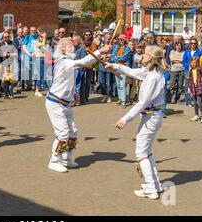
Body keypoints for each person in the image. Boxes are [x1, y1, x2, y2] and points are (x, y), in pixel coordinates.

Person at [106, 45, 167, 200]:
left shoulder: (153, 76)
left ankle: (151, 189)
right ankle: (156, 184)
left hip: (151, 115)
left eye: (146, 54)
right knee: (146, 151)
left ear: (151, 57)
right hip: (152, 115)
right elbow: (133, 72)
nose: (143, 56)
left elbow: (142, 102)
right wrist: (114, 65)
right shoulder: (150, 71)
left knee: (141, 153)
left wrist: (125, 119)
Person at [46, 38, 108, 173]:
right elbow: (83, 62)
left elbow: (71, 78)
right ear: (62, 49)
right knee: (63, 133)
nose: (72, 48)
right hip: (55, 102)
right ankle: (54, 160)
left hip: (65, 103)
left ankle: (67, 158)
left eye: (72, 46)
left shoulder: (68, 62)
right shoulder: (64, 62)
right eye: (69, 46)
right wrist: (99, 51)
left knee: (73, 131)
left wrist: (73, 93)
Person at [110, 34, 132, 106]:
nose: (120, 41)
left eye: (122, 40)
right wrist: (116, 58)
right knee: (118, 84)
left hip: (123, 68)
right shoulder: (116, 47)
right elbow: (112, 57)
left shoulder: (127, 48)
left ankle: (123, 100)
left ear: (125, 40)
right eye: (119, 40)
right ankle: (120, 98)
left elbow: (124, 57)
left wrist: (116, 57)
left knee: (122, 84)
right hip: (116, 67)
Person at [188, 57, 202, 123]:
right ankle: (196, 115)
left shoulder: (199, 69)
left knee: (199, 103)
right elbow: (190, 80)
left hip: (199, 88)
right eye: (192, 63)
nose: (193, 64)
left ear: (197, 63)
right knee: (195, 103)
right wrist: (189, 88)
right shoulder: (191, 70)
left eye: (195, 63)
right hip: (193, 88)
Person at [182, 38, 202, 106]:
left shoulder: (199, 52)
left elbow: (201, 61)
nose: (193, 45)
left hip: (196, 71)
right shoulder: (186, 52)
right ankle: (188, 101)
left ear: (196, 44)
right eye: (192, 43)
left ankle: (195, 101)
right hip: (188, 70)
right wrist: (189, 66)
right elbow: (184, 61)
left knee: (195, 86)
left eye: (194, 43)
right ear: (190, 44)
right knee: (187, 86)